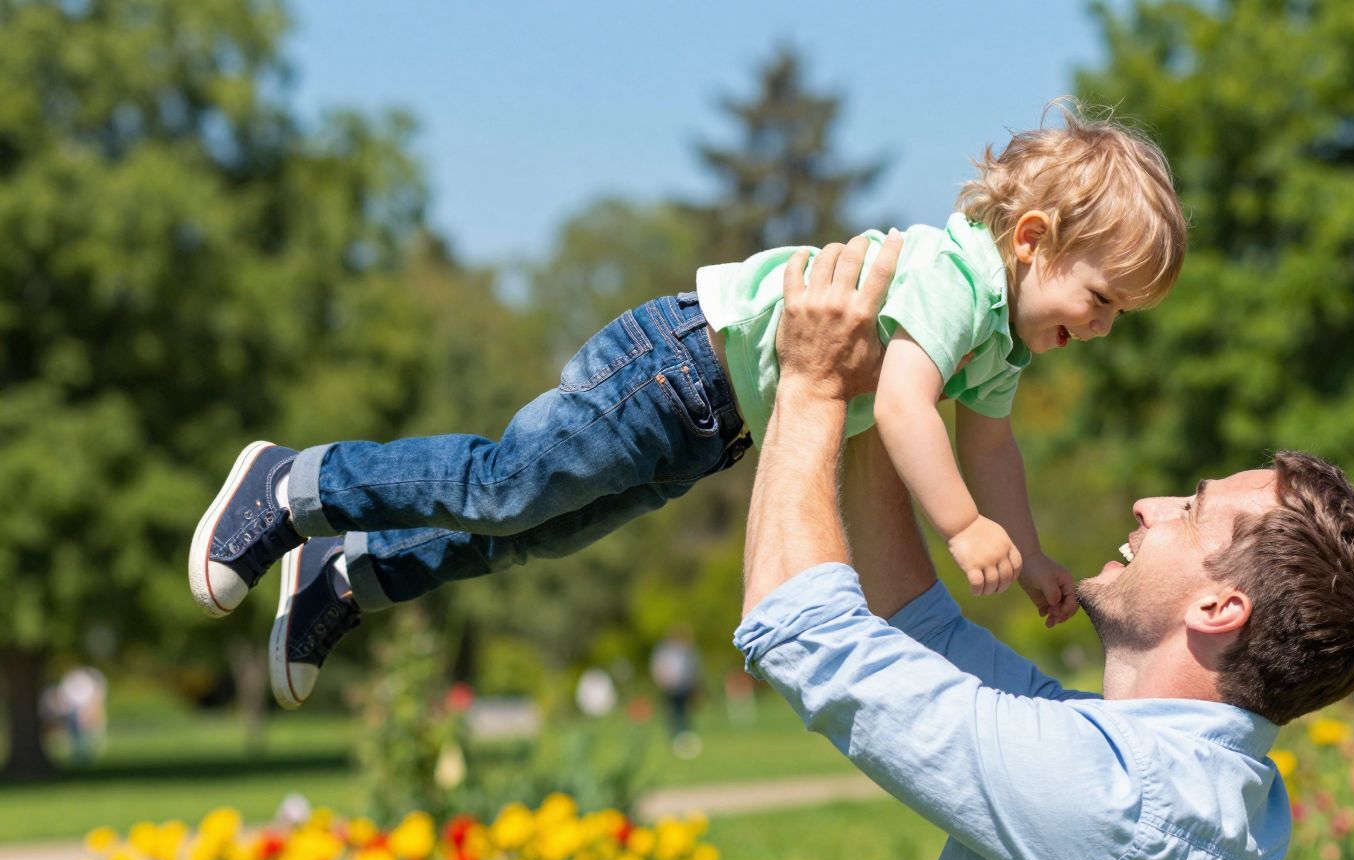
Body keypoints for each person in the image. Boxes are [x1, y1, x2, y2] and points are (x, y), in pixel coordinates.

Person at [737, 235, 1354, 860]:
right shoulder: (1192, 780)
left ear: (1219, 606)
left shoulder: (1118, 802)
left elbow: (802, 629)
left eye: (1191, 510)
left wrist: (812, 386)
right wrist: (886, 397)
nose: (1149, 505)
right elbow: (916, 631)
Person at [186, 105, 1186, 710]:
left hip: (716, 425)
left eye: (1119, 316)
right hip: (674, 367)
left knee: (536, 532)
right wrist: (960, 526)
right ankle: (298, 481)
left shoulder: (1001, 339)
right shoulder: (953, 277)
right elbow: (908, 406)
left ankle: (352, 574)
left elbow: (992, 443)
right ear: (1032, 239)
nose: (1100, 328)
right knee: (503, 485)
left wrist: (1031, 550)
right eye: (1100, 300)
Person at [649, 627, 703, 758]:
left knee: (685, 713)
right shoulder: (664, 651)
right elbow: (658, 667)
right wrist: (663, 681)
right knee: (673, 714)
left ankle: (685, 737)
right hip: (669, 687)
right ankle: (675, 737)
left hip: (685, 687)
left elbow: (694, 669)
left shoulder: (688, 651)